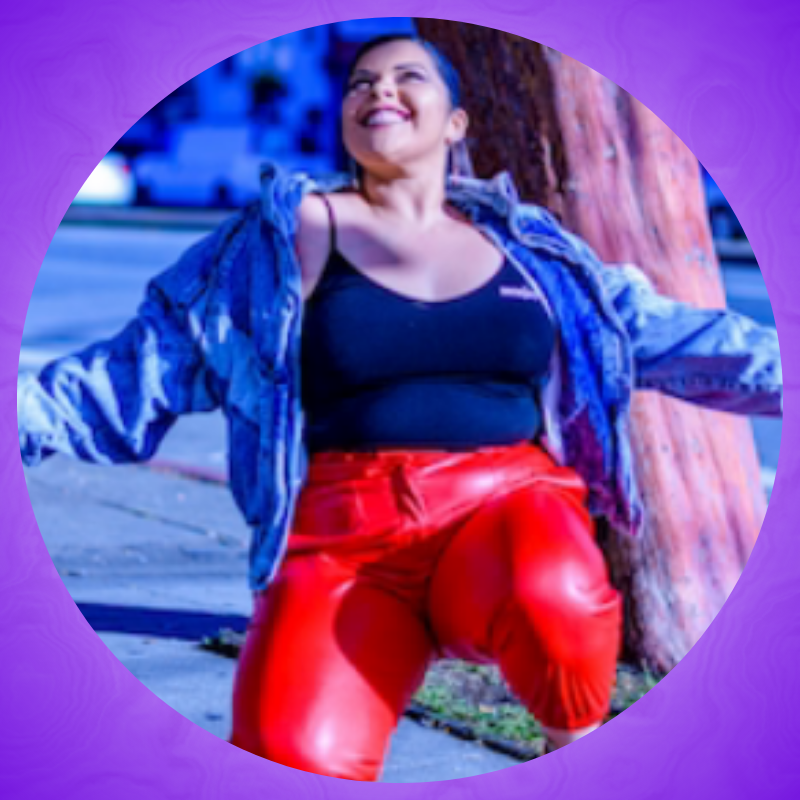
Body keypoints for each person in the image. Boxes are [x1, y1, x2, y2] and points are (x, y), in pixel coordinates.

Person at [17, 33, 782, 781]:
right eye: (360, 82)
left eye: (407, 76)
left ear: (456, 122)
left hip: (506, 510)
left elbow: (672, 336)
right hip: (340, 543)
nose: (378, 89)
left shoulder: (533, 249)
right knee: (290, 751)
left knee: (555, 592)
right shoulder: (275, 242)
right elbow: (127, 376)